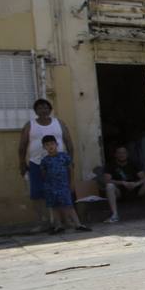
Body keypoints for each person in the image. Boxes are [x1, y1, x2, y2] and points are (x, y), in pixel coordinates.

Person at [18, 98, 75, 229]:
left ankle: (64, 221)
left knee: (61, 192)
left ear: (50, 109)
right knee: (37, 194)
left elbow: (69, 143)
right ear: (35, 111)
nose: (43, 110)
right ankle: (42, 222)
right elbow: (22, 146)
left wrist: (70, 161)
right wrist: (21, 162)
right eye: (40, 108)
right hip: (36, 163)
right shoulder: (30, 125)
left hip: (58, 165)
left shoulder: (59, 123)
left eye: (45, 107)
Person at [102, 145, 145, 223]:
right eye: (119, 153)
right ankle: (114, 215)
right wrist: (122, 183)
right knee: (109, 186)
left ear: (127, 154)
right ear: (115, 155)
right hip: (119, 191)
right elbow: (107, 180)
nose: (122, 155)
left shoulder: (134, 163)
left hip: (135, 189)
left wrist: (136, 184)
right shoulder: (110, 165)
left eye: (124, 153)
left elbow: (144, 178)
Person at [40, 135, 89, 233]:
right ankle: (58, 226)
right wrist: (47, 185)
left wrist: (71, 183)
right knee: (54, 206)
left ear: (57, 144)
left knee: (68, 205)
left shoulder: (64, 156)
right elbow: (43, 174)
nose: (50, 146)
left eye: (52, 144)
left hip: (63, 185)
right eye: (47, 145)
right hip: (51, 187)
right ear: (44, 147)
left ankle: (78, 224)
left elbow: (70, 169)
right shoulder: (45, 160)